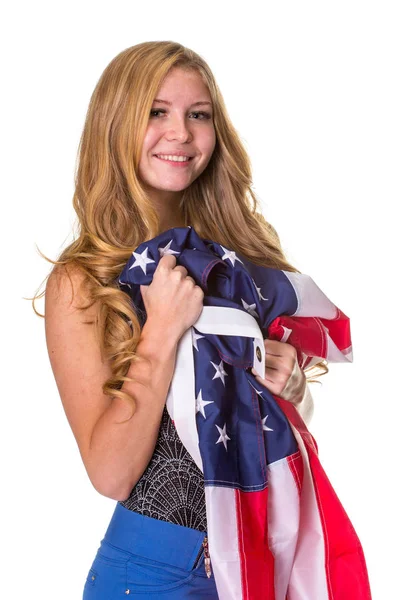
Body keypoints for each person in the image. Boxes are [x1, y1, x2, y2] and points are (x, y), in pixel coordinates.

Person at [33, 41, 324, 599]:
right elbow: (110, 474)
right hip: (156, 570)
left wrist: (293, 387)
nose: (181, 133)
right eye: (156, 112)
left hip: (257, 549)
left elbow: (256, 427)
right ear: (116, 125)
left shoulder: (237, 258)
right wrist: (161, 330)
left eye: (199, 115)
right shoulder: (84, 281)